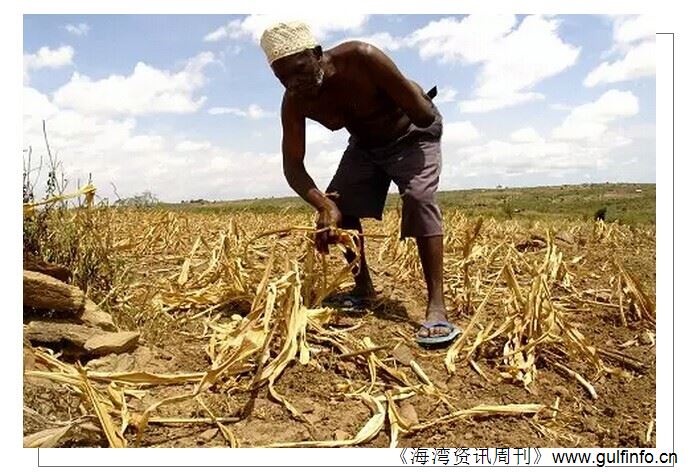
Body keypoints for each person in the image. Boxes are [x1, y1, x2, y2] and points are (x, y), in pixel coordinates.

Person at [260, 21, 460, 346]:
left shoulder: (361, 57)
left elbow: (422, 116)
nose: (294, 83)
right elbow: (292, 166)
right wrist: (325, 205)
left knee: (419, 198)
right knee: (342, 206)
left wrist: (410, 99)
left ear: (317, 53)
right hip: (366, 145)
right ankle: (362, 288)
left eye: (299, 70)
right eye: (283, 78)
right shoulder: (295, 100)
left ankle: (436, 307)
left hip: (412, 135)